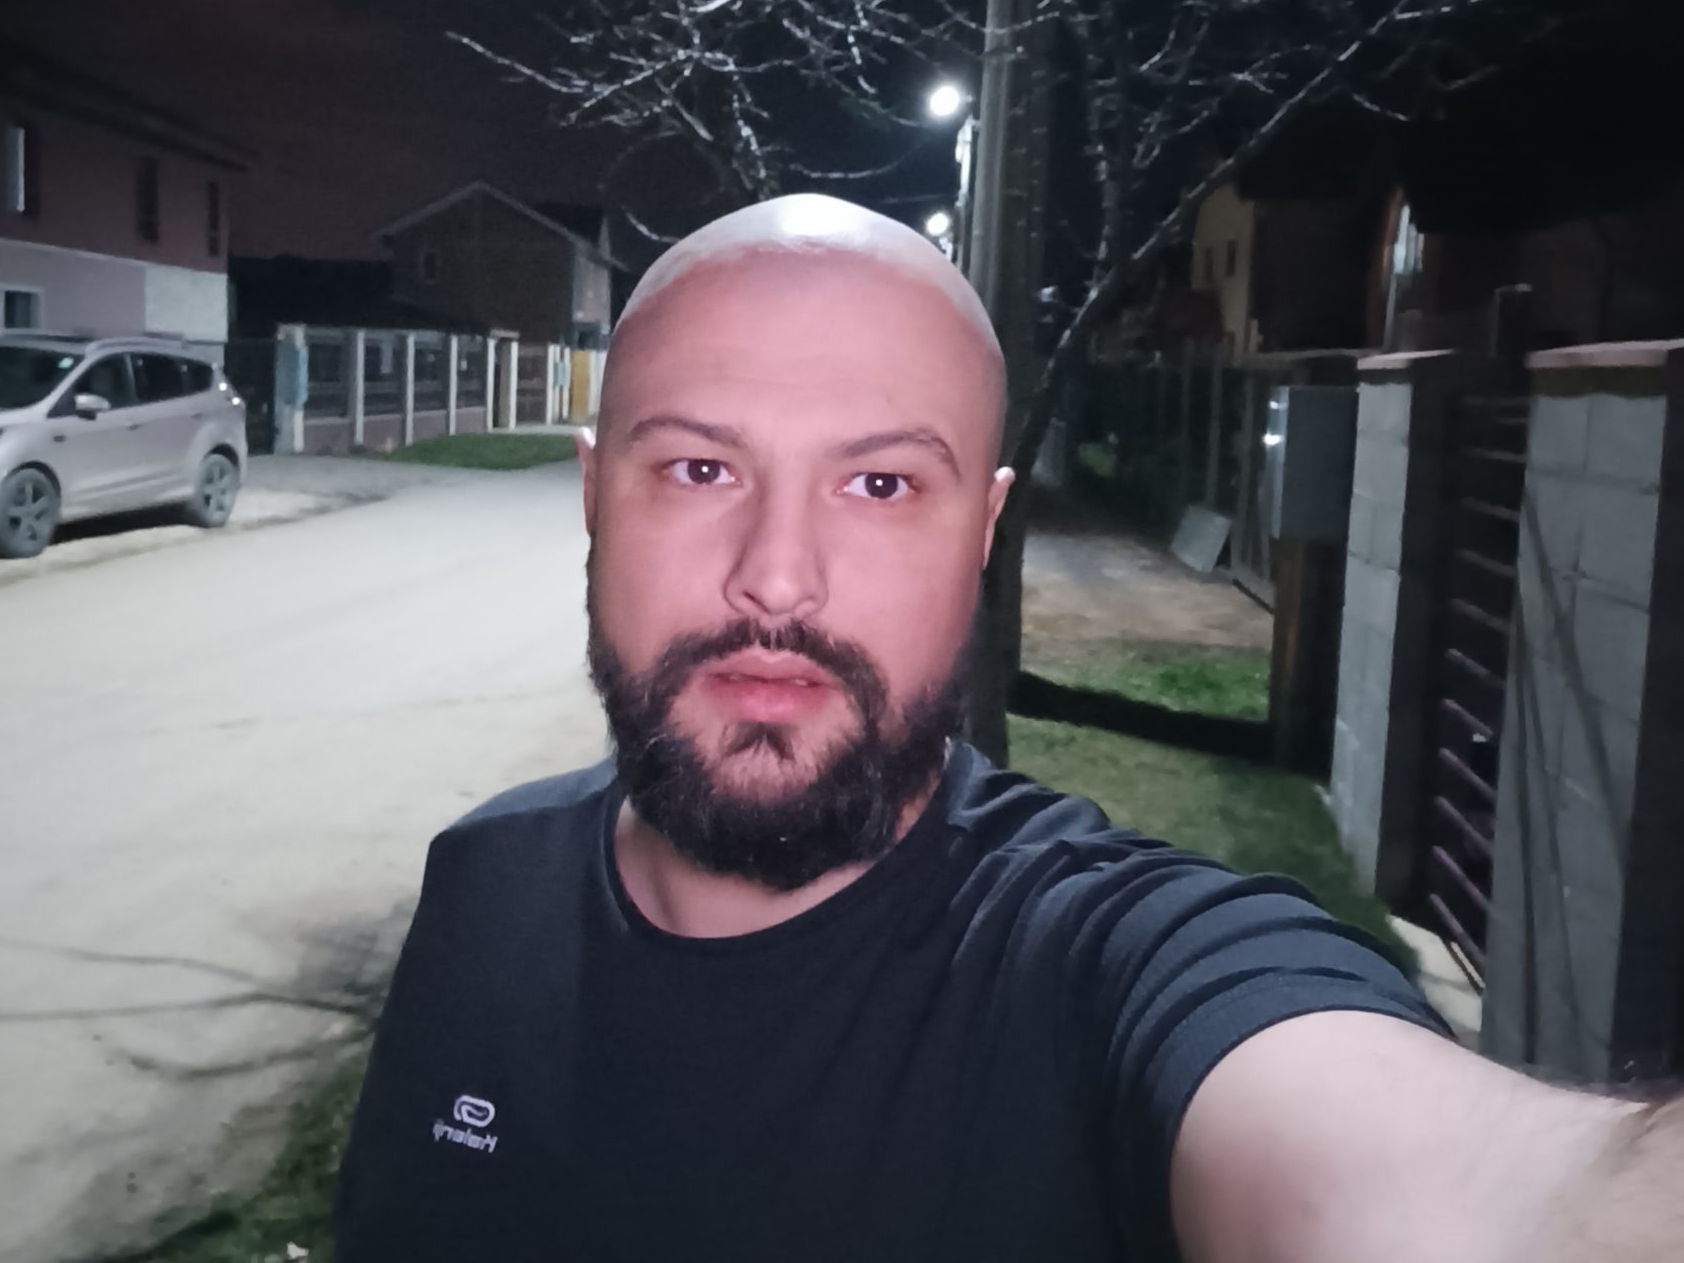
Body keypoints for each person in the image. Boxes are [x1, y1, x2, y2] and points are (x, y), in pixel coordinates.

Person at [335, 195, 1674, 1261]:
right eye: (699, 468)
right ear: (594, 500)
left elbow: (1476, 1194)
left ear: (982, 530)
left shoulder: (1102, 971)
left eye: (879, 483)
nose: (777, 578)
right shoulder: (479, 884)